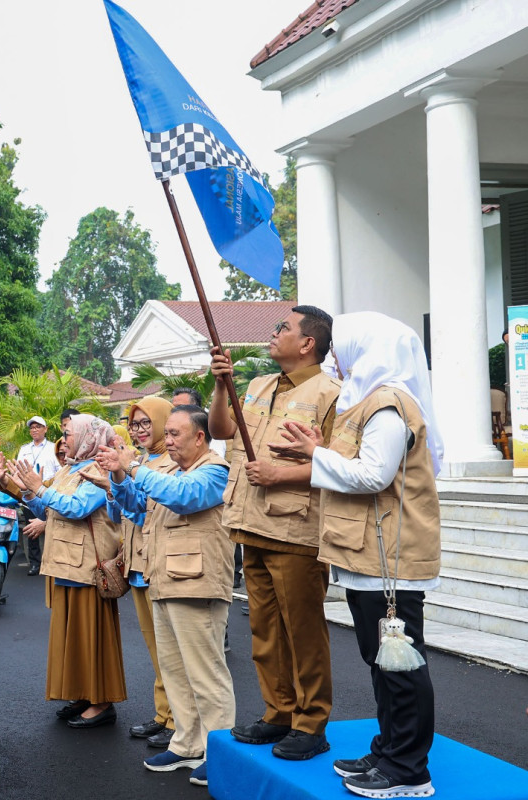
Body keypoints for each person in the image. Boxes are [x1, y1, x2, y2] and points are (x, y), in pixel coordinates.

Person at [272, 312, 442, 799]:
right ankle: (390, 749)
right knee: (382, 660)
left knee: (402, 665)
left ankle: (409, 770)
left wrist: (316, 456)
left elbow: (373, 475)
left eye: (340, 350)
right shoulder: (369, 402)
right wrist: (320, 451)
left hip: (391, 559)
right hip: (369, 554)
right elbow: (361, 466)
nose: (334, 360)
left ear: (367, 350)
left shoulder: (388, 404)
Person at [209, 305, 340, 761]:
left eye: (283, 328)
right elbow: (221, 430)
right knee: (264, 631)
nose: (274, 332)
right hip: (251, 523)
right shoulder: (260, 384)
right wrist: (221, 386)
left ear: (307, 343)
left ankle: (311, 722)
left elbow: (338, 466)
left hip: (295, 529)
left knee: (302, 631)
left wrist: (280, 476)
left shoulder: (331, 393)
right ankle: (278, 712)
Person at [100, 405, 233, 788]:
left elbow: (184, 498)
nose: (168, 440)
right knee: (175, 672)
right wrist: (120, 475)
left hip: (198, 583)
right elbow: (140, 514)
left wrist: (135, 468)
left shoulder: (213, 471)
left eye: (175, 434)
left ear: (200, 437)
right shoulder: (169, 471)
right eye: (167, 433)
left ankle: (218, 751)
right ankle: (187, 742)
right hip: (165, 580)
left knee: (206, 674)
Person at [8, 413, 126, 730]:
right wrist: (28, 490)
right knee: (73, 638)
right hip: (65, 563)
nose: (66, 437)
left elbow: (76, 508)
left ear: (89, 435)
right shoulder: (70, 467)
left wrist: (39, 488)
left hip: (88, 566)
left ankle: (102, 703)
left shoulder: (98, 469)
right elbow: (48, 509)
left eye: (71, 432)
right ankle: (84, 695)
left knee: (91, 637)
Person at [116, 396, 178, 749]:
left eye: (145, 423)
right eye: (134, 423)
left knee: (170, 650)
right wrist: (114, 477)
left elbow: (149, 512)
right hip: (137, 563)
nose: (138, 430)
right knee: (155, 649)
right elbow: (126, 511)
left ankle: (176, 719)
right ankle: (163, 714)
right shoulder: (139, 460)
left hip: (158, 563)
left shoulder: (172, 462)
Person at [14, 415, 59, 576]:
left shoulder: (53, 448)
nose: (35, 430)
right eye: (32, 427)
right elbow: (18, 470)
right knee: (31, 527)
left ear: (45, 429)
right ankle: (34, 563)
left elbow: (59, 470)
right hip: (29, 493)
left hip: (48, 491)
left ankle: (52, 560)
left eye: (38, 427)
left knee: (52, 524)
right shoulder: (24, 449)